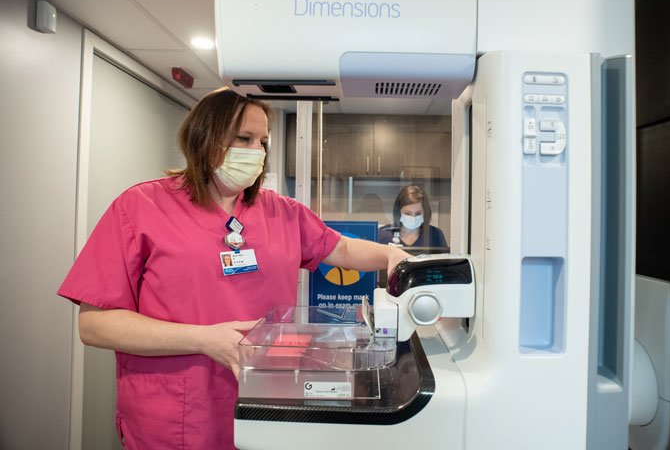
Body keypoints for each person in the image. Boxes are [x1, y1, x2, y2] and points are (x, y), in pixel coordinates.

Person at [57, 87, 410, 450]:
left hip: (267, 404)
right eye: (244, 138)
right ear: (204, 138)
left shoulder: (281, 212)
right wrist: (202, 339)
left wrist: (392, 257)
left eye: (262, 142)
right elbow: (94, 324)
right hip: (177, 415)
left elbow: (343, 248)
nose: (256, 152)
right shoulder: (140, 208)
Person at [378, 185, 448, 250]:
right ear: (398, 213)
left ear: (425, 213)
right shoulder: (383, 234)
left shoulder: (435, 235)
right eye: (407, 213)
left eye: (418, 213)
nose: (413, 217)